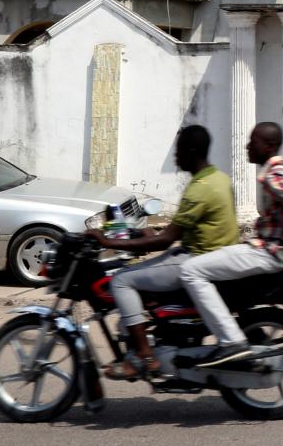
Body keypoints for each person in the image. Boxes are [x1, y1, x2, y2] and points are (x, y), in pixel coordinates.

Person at [179, 121, 283, 369]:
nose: (247, 146)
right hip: (272, 250)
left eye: (253, 141)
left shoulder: (274, 177)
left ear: (269, 146)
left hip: (270, 254)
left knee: (191, 270)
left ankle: (232, 342)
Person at [88, 124, 238, 378]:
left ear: (192, 151)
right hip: (210, 255)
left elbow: (166, 241)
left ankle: (144, 356)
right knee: (143, 276)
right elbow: (188, 229)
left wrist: (108, 242)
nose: (176, 158)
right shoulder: (219, 179)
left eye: (179, 152)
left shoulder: (200, 189)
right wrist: (152, 235)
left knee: (122, 280)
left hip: (196, 259)